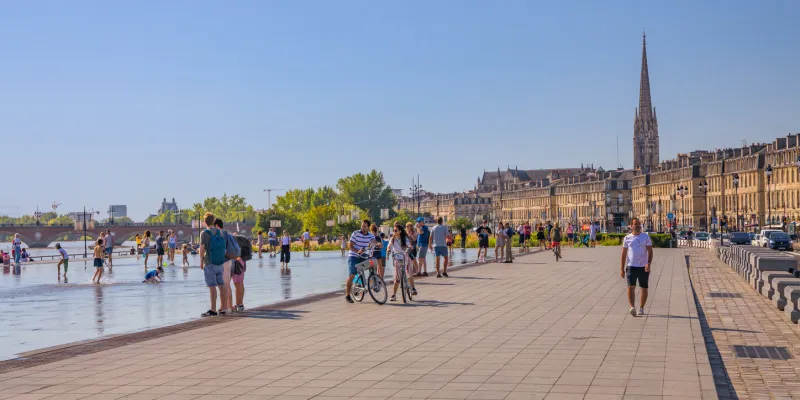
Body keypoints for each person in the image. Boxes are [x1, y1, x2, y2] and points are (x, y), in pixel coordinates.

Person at [621, 218, 653, 317]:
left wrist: (648, 263)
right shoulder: (627, 238)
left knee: (643, 287)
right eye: (636, 224)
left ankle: (641, 308)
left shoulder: (646, 237)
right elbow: (624, 253)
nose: (638, 225)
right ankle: (632, 307)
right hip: (631, 266)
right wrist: (621, 269)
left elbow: (650, 251)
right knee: (631, 287)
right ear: (631, 226)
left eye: (639, 224)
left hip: (643, 266)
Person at [200, 212, 226, 317]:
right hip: (220, 262)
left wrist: (201, 261)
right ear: (213, 221)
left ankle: (213, 309)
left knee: (212, 286)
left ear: (205, 222)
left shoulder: (204, 233)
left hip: (210, 262)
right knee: (221, 284)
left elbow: (202, 249)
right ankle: (223, 307)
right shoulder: (220, 233)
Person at [345, 220, 376, 303]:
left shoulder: (370, 235)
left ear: (368, 227)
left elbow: (374, 242)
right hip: (353, 255)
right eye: (362, 226)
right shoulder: (355, 233)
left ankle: (373, 281)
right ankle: (347, 295)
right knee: (352, 274)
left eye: (365, 226)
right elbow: (350, 246)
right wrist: (357, 251)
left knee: (372, 263)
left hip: (363, 255)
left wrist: (378, 244)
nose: (363, 227)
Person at [388, 223, 416, 301]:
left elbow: (409, 245)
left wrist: (409, 248)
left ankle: (413, 288)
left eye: (395, 230)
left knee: (409, 273)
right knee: (397, 277)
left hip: (406, 256)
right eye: (393, 230)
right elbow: (389, 246)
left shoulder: (405, 238)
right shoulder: (392, 239)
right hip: (398, 258)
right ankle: (394, 295)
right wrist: (388, 250)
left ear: (400, 231)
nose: (394, 232)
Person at [215, 218, 234, 315]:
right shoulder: (227, 234)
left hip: (223, 261)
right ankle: (229, 306)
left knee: (223, 285)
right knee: (227, 284)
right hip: (229, 261)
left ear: (217, 226)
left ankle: (224, 307)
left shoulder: (220, 234)